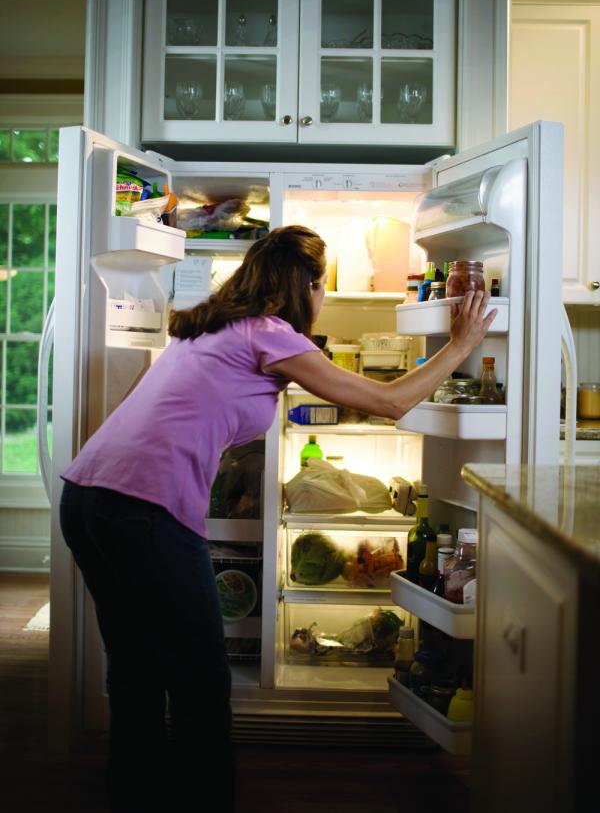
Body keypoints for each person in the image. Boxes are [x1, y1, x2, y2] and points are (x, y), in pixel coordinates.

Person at [59, 224, 496, 812]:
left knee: (137, 669)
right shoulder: (268, 333)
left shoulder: (208, 330)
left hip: (88, 497)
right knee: (200, 682)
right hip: (145, 509)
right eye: (321, 286)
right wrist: (462, 344)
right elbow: (390, 402)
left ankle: (133, 797)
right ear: (309, 287)